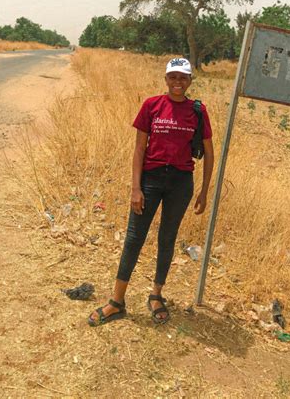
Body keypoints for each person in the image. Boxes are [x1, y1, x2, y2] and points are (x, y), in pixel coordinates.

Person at [88, 57, 214, 326]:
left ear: (190, 80)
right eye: (173, 77)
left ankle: (156, 295)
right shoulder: (152, 105)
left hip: (181, 182)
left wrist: (204, 191)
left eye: (183, 77)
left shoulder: (198, 111)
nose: (178, 82)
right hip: (151, 179)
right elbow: (138, 149)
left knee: (167, 238)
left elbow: (210, 152)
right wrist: (136, 188)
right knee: (134, 237)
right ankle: (116, 301)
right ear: (166, 79)